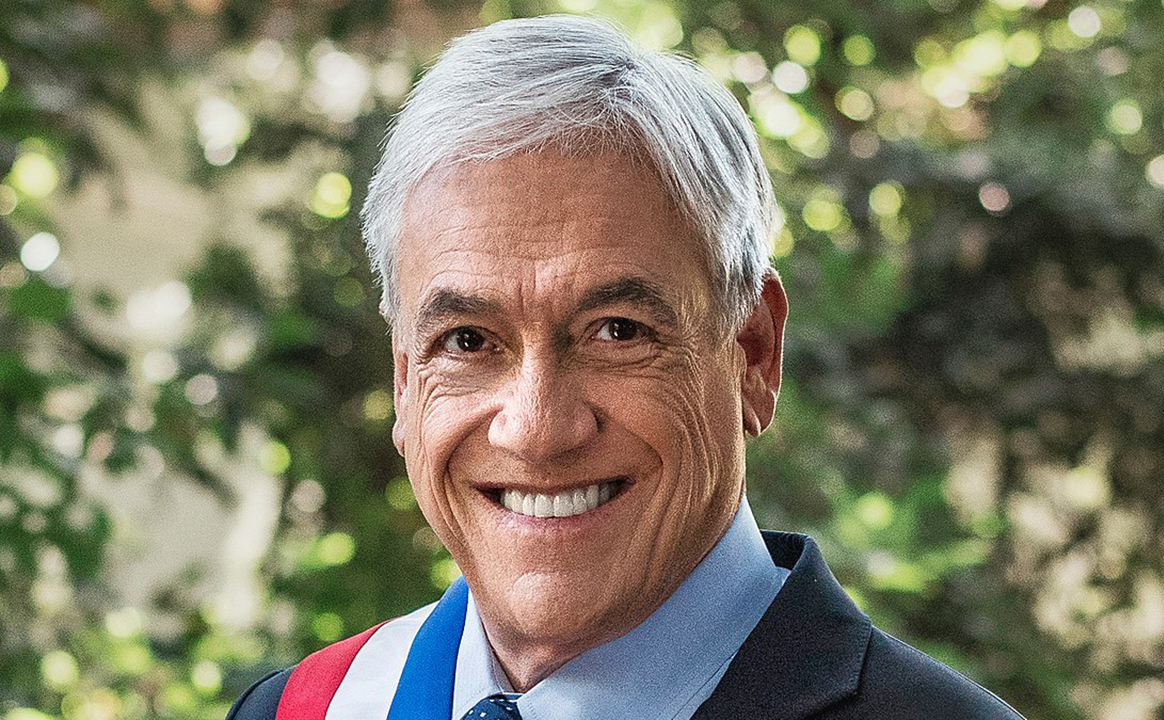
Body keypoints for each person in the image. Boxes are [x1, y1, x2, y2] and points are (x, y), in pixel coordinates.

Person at [226, 15, 1025, 720]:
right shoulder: (299, 712)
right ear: (406, 381)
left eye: (617, 331)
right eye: (467, 341)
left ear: (753, 353)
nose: (537, 430)